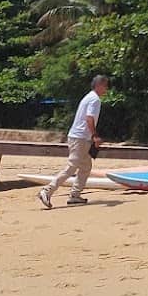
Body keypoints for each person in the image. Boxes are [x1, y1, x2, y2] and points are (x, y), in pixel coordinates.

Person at [39, 75, 109, 208]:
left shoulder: (89, 97)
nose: (106, 89)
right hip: (81, 138)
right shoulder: (95, 100)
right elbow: (89, 119)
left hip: (77, 136)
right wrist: (95, 136)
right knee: (72, 167)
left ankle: (75, 195)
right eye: (105, 86)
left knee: (85, 166)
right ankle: (47, 190)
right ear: (99, 85)